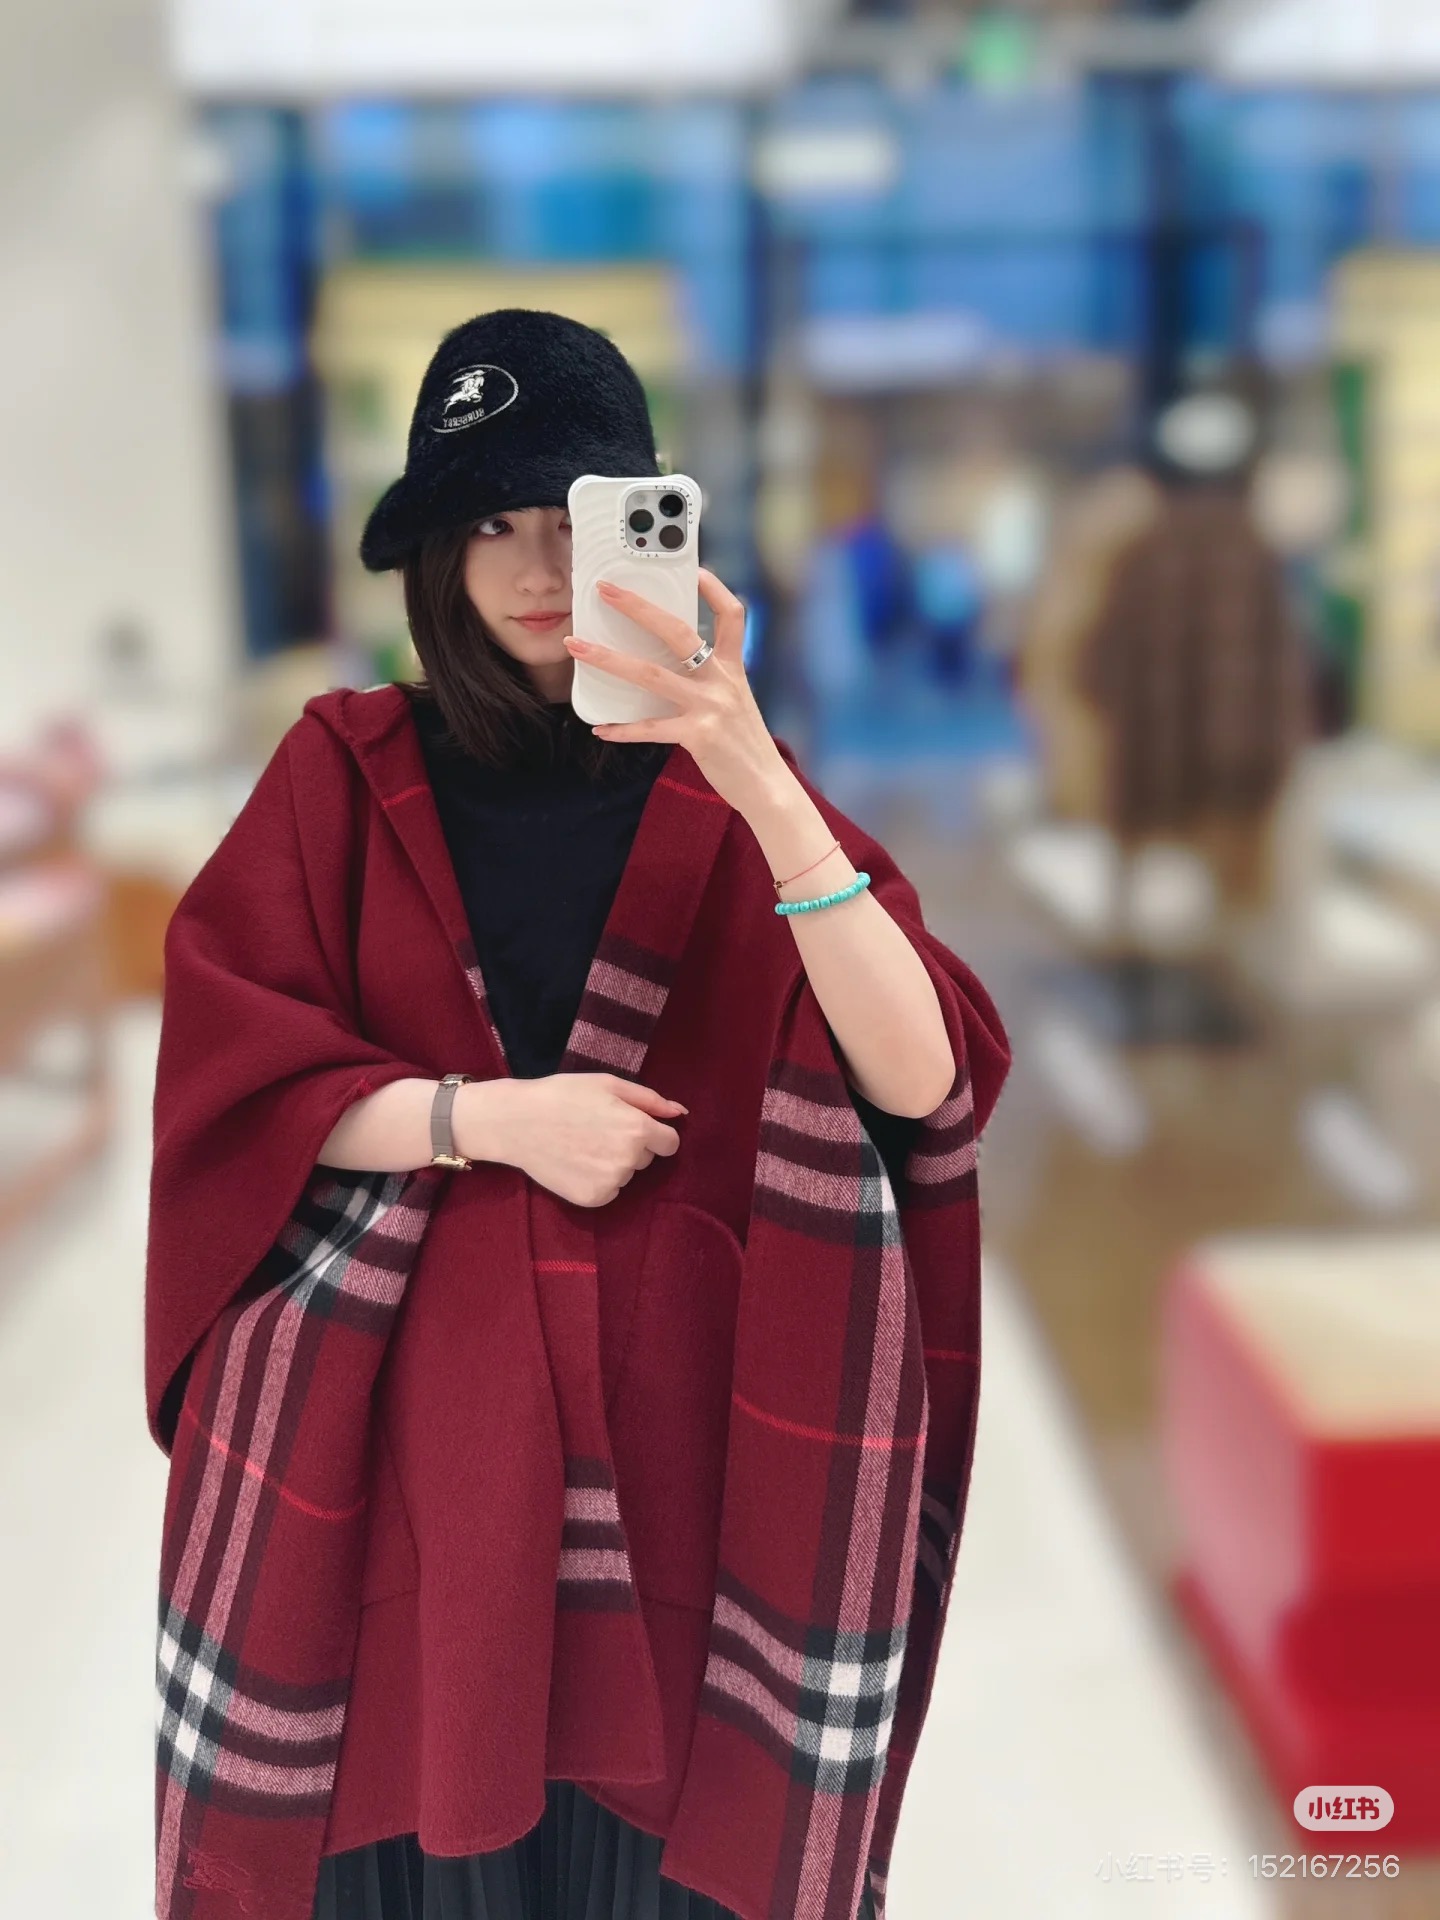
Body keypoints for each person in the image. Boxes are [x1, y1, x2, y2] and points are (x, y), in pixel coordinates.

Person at [145, 310, 1011, 1920]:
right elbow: (233, 1082)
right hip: (417, 1461)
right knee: (429, 1843)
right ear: (435, 554)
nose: (541, 564)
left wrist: (755, 771)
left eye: (580, 514)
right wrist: (483, 1121)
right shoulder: (344, 770)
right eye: (492, 521)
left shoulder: (729, 784)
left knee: (665, 1856)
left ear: (654, 529)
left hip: (690, 1461)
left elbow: (925, 1077)